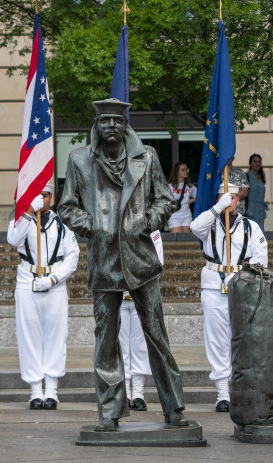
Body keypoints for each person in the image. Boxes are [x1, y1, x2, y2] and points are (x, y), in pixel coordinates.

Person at [58, 98, 188, 430]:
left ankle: (174, 408)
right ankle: (110, 411)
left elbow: (165, 199)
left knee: (157, 335)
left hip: (140, 259)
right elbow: (67, 206)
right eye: (105, 122)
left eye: (117, 121)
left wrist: (147, 220)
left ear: (125, 124)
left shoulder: (147, 157)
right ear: (97, 125)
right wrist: (92, 226)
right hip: (103, 260)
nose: (112, 127)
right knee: (106, 340)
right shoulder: (78, 161)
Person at [190, 182, 268, 412]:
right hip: (214, 287)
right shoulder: (210, 223)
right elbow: (194, 227)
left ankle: (238, 388)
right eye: (224, 197)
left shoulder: (251, 227)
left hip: (241, 287)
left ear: (239, 200)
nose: (229, 201)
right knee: (216, 340)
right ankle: (223, 393)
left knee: (242, 339)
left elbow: (262, 258)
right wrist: (217, 209)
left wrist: (241, 273)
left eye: (232, 197)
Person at [7, 183, 80, 410]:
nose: (42, 199)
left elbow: (72, 256)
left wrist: (53, 279)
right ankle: (35, 391)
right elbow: (13, 239)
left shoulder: (63, 224)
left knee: (56, 336)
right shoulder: (21, 219)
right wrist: (29, 212)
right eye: (38, 195)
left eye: (45, 195)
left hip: (54, 282)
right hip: (28, 281)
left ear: (52, 197)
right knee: (29, 335)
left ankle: (52, 390)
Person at [118, 230, 163, 411]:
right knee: (121, 345)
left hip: (141, 292)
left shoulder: (150, 228)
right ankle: (124, 391)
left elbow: (157, 261)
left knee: (140, 345)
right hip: (119, 293)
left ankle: (138, 392)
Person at [166, 163, 196, 232]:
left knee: (186, 239)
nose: (186, 171)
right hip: (174, 216)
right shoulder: (169, 186)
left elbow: (200, 197)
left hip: (187, 216)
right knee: (177, 240)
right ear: (177, 172)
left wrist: (190, 200)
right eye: (183, 170)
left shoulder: (189, 185)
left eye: (186, 169)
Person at [245, 153, 268, 231]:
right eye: (255, 161)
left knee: (260, 235)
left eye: (259, 162)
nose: (257, 163)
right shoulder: (246, 176)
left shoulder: (261, 177)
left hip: (260, 212)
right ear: (250, 163)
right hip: (250, 211)